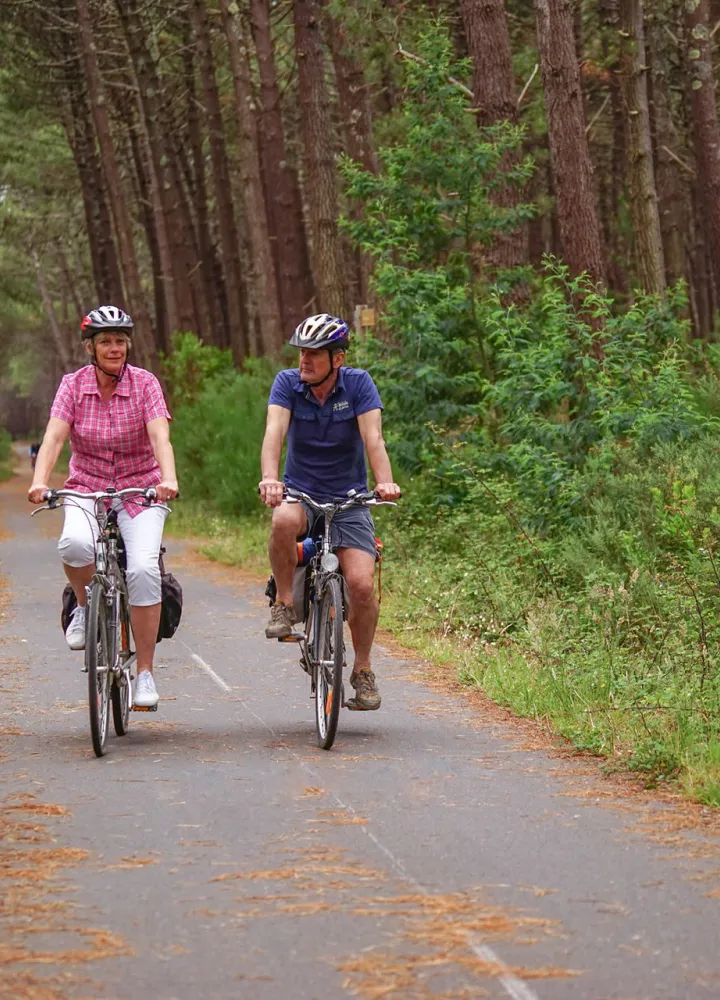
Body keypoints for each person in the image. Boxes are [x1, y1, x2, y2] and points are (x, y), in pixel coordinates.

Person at [28, 305, 178, 709]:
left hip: (140, 490)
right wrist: (40, 481)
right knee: (75, 545)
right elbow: (54, 438)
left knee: (143, 569)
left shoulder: (145, 384)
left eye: (120, 341)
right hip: (87, 487)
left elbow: (160, 437)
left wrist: (168, 479)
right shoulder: (73, 386)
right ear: (90, 348)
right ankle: (82, 607)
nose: (114, 348)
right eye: (106, 342)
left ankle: (144, 673)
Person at [258, 313, 401, 711]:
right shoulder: (287, 383)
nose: (304, 360)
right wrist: (270, 479)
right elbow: (274, 433)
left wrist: (385, 483)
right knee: (282, 520)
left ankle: (363, 670)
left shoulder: (358, 384)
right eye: (301, 352)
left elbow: (373, 437)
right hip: (301, 493)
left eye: (314, 354)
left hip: (349, 498)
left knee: (361, 585)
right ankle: (284, 604)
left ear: (337, 359)